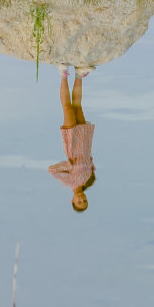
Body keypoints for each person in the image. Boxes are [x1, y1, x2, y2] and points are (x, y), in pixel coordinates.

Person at [49, 67, 96, 213]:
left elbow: (52, 170)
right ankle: (79, 75)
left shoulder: (68, 182)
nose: (82, 198)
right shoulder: (89, 179)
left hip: (72, 144)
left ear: (73, 200)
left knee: (67, 109)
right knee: (78, 105)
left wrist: (69, 164)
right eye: (84, 201)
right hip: (85, 139)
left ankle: (63, 75)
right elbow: (91, 162)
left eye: (79, 201)